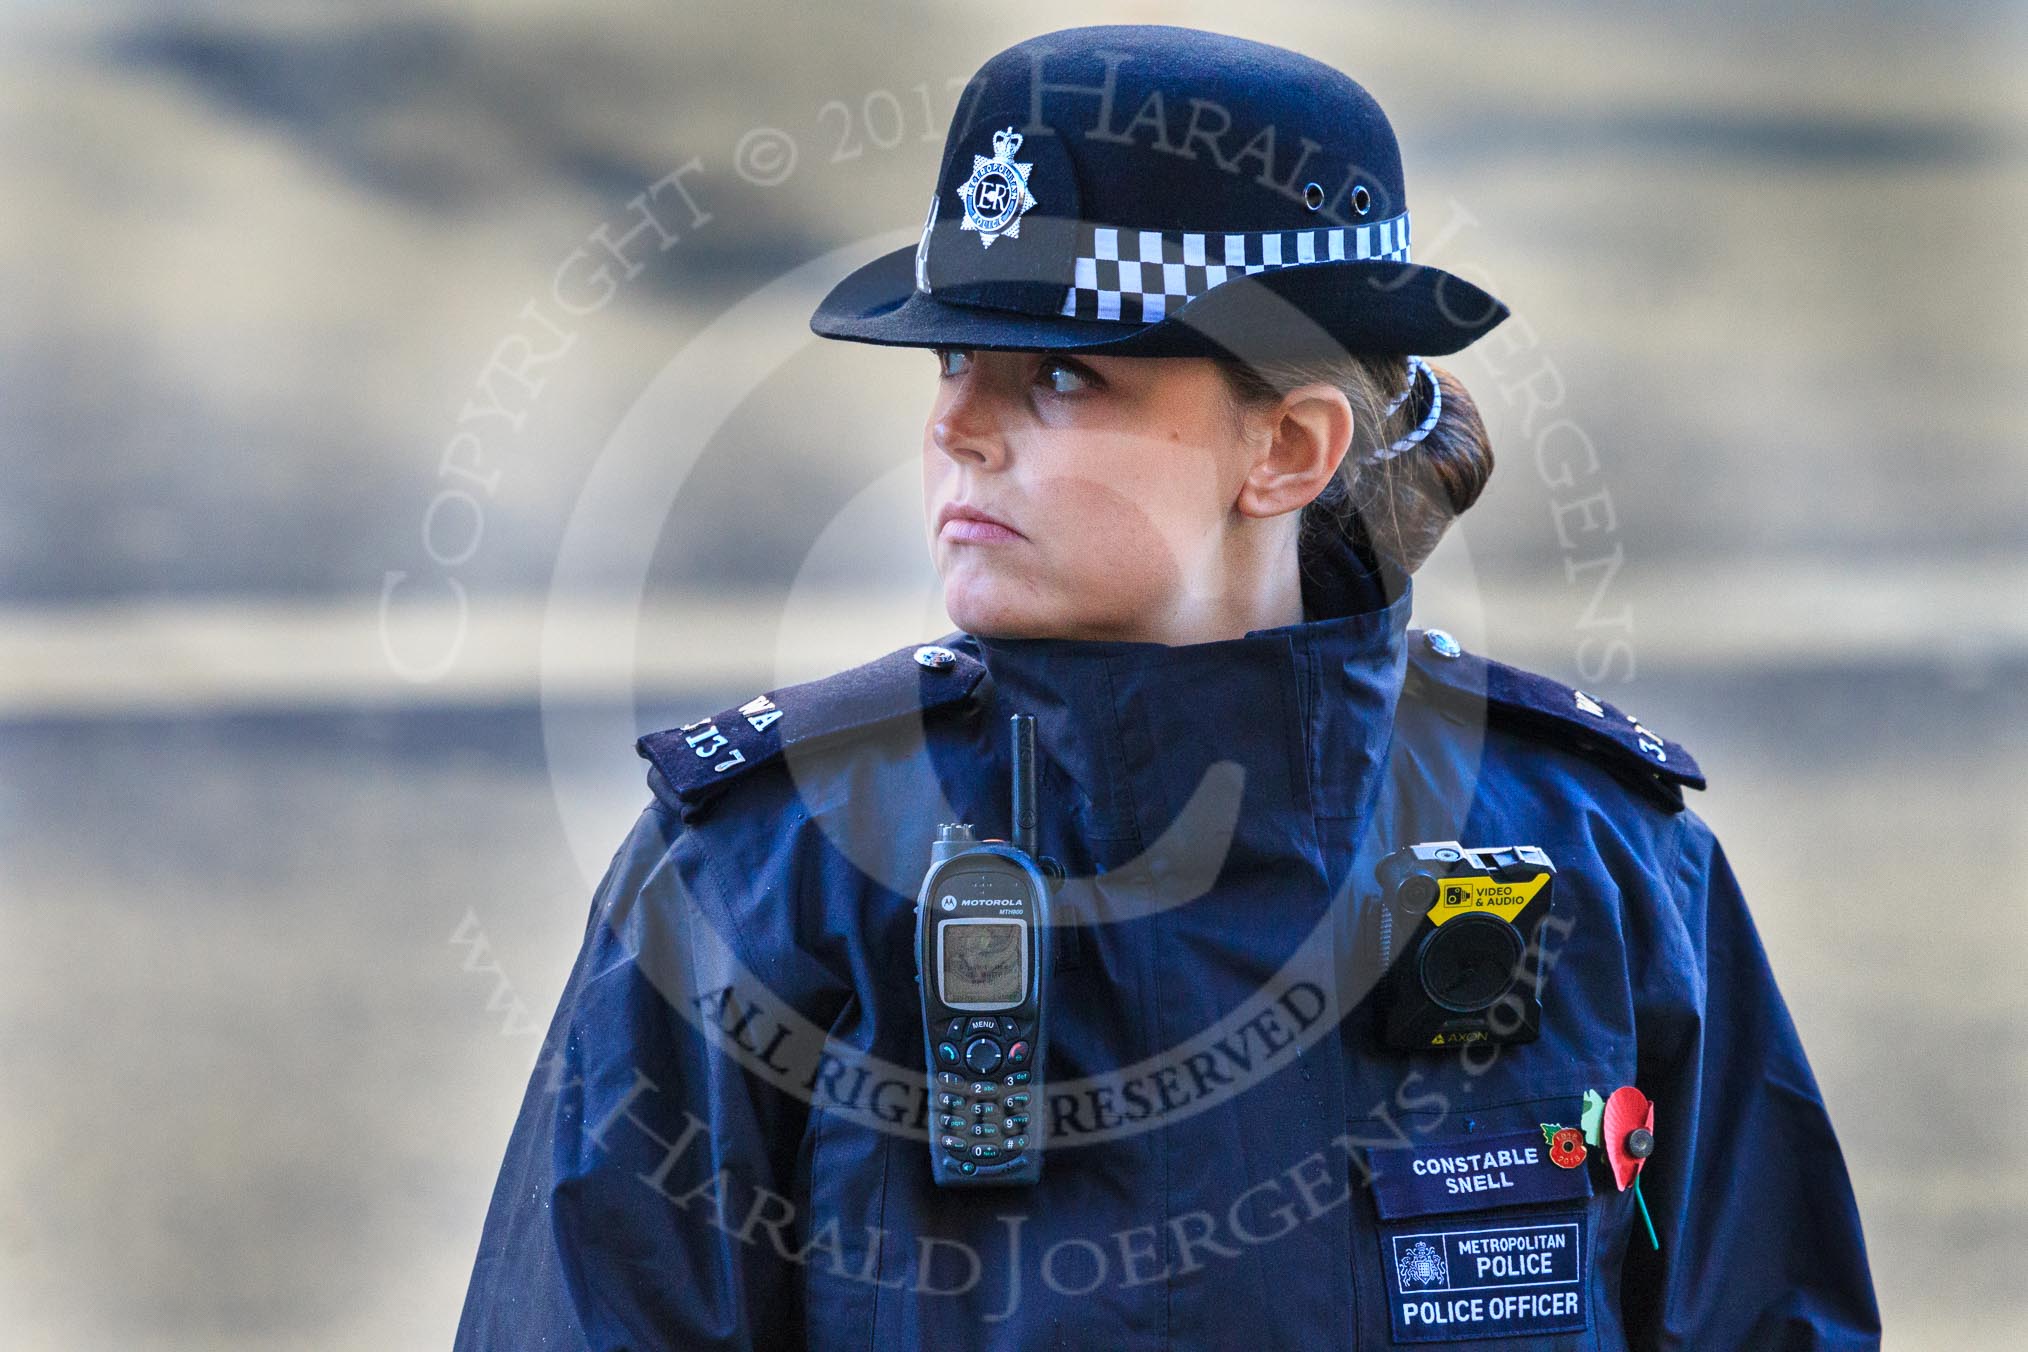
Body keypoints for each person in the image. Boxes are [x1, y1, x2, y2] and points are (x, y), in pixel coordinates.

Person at [455, 24, 1880, 1351]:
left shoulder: (1605, 862)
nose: (956, 426)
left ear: (1290, 450)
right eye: (955, 355)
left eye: (1066, 374)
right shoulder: (765, 883)